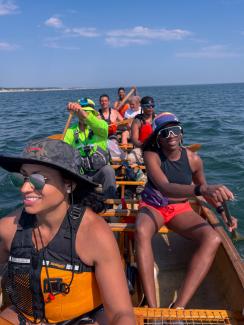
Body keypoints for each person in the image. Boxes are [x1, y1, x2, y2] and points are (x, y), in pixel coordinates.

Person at [0, 138, 135, 325]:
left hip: (84, 319)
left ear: (69, 185)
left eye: (38, 180)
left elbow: (121, 313)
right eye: (21, 177)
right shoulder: (8, 229)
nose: (24, 188)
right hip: (25, 318)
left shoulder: (93, 233)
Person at [135, 112, 238, 309]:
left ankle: (179, 306)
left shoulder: (194, 160)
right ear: (158, 137)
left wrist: (224, 214)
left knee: (213, 238)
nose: (171, 135)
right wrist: (202, 189)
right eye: (165, 132)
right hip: (154, 205)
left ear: (182, 133)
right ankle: (152, 307)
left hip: (180, 208)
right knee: (141, 231)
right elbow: (165, 186)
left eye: (175, 130)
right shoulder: (151, 155)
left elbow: (205, 192)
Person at [64, 97, 116, 199]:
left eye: (88, 112)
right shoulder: (70, 131)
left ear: (93, 113)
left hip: (99, 171)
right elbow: (64, 149)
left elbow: (98, 125)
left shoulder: (101, 126)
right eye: (81, 112)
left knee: (108, 170)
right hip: (81, 174)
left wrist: (82, 112)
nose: (84, 115)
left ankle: (109, 202)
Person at [128, 96, 155, 165]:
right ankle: (140, 175)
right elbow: (134, 139)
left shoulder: (157, 119)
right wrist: (144, 146)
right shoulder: (137, 121)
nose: (150, 108)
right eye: (148, 106)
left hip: (156, 148)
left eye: (152, 106)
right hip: (141, 148)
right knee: (130, 159)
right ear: (142, 107)